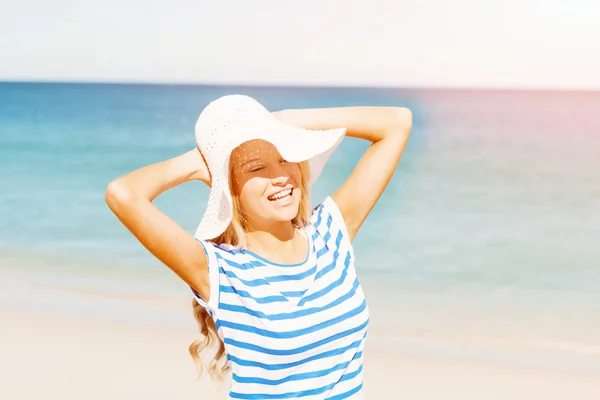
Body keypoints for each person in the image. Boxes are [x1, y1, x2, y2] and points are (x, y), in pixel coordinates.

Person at [105, 94, 412, 399]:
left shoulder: (329, 233)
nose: (280, 177)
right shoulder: (220, 271)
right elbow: (123, 194)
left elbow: (396, 122)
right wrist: (203, 162)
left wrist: (284, 121)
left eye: (284, 158)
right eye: (256, 168)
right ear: (230, 187)